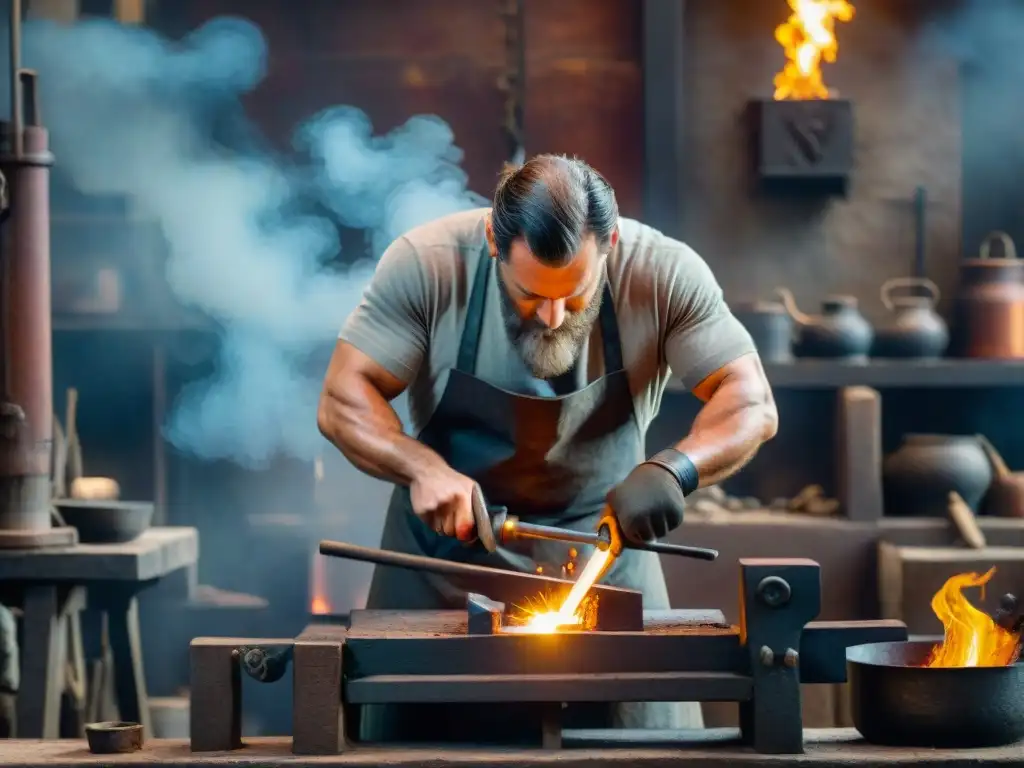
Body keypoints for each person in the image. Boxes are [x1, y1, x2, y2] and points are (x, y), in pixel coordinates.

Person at [318, 154, 778, 742]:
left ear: (608, 242)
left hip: (605, 562)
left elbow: (750, 402)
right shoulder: (428, 265)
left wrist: (673, 470)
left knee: (640, 755)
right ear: (492, 239)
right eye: (530, 293)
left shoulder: (662, 270)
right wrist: (420, 468)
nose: (554, 317)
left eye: (576, 294)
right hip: (442, 567)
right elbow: (343, 397)